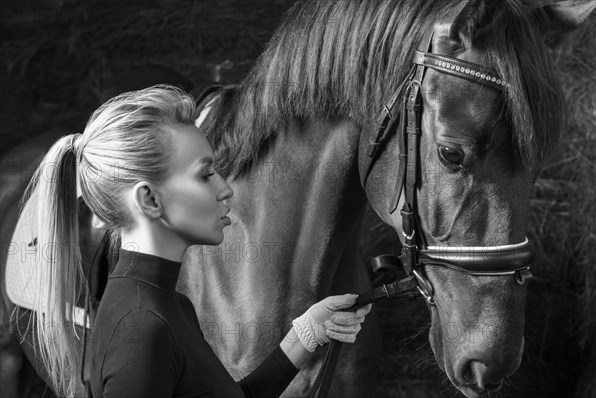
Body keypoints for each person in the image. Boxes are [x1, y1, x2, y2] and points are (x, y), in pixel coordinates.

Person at [21, 85, 371, 397]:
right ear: (150, 201)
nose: (225, 188)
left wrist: (307, 333)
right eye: (205, 174)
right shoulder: (143, 330)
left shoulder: (171, 306)